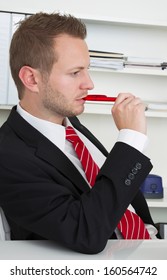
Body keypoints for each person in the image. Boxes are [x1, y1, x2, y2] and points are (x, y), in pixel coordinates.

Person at [0, 12, 159, 254]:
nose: (89, 83)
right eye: (75, 73)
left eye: (87, 69)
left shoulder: (73, 125)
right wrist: (131, 141)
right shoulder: (8, 155)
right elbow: (84, 233)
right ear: (31, 78)